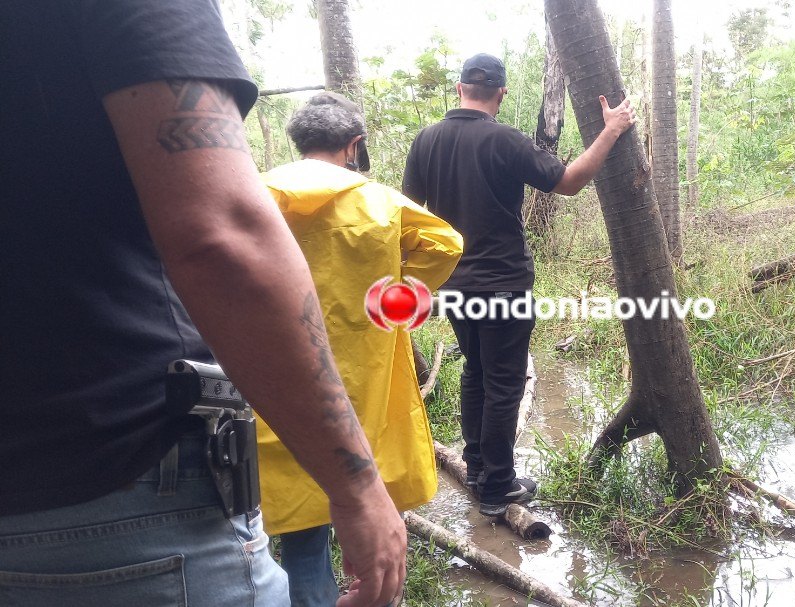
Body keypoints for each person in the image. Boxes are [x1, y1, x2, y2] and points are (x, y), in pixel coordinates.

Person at [0, 2, 404, 606]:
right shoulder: (380, 202)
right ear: (353, 145)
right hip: (122, 496)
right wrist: (358, 485)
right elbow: (222, 239)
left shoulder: (278, 184)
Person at [401, 53, 636, 516]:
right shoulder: (506, 140)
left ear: (458, 88)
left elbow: (409, 213)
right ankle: (497, 486)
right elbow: (569, 183)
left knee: (476, 372)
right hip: (504, 284)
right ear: (502, 93)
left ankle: (477, 467)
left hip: (453, 286)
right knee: (505, 382)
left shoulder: (426, 139)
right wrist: (610, 130)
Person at [257, 92, 462, 606]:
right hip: (356, 374)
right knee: (340, 497)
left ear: (296, 142)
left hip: (273, 373)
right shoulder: (379, 202)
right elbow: (446, 243)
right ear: (354, 146)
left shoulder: (259, 193)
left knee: (291, 531)